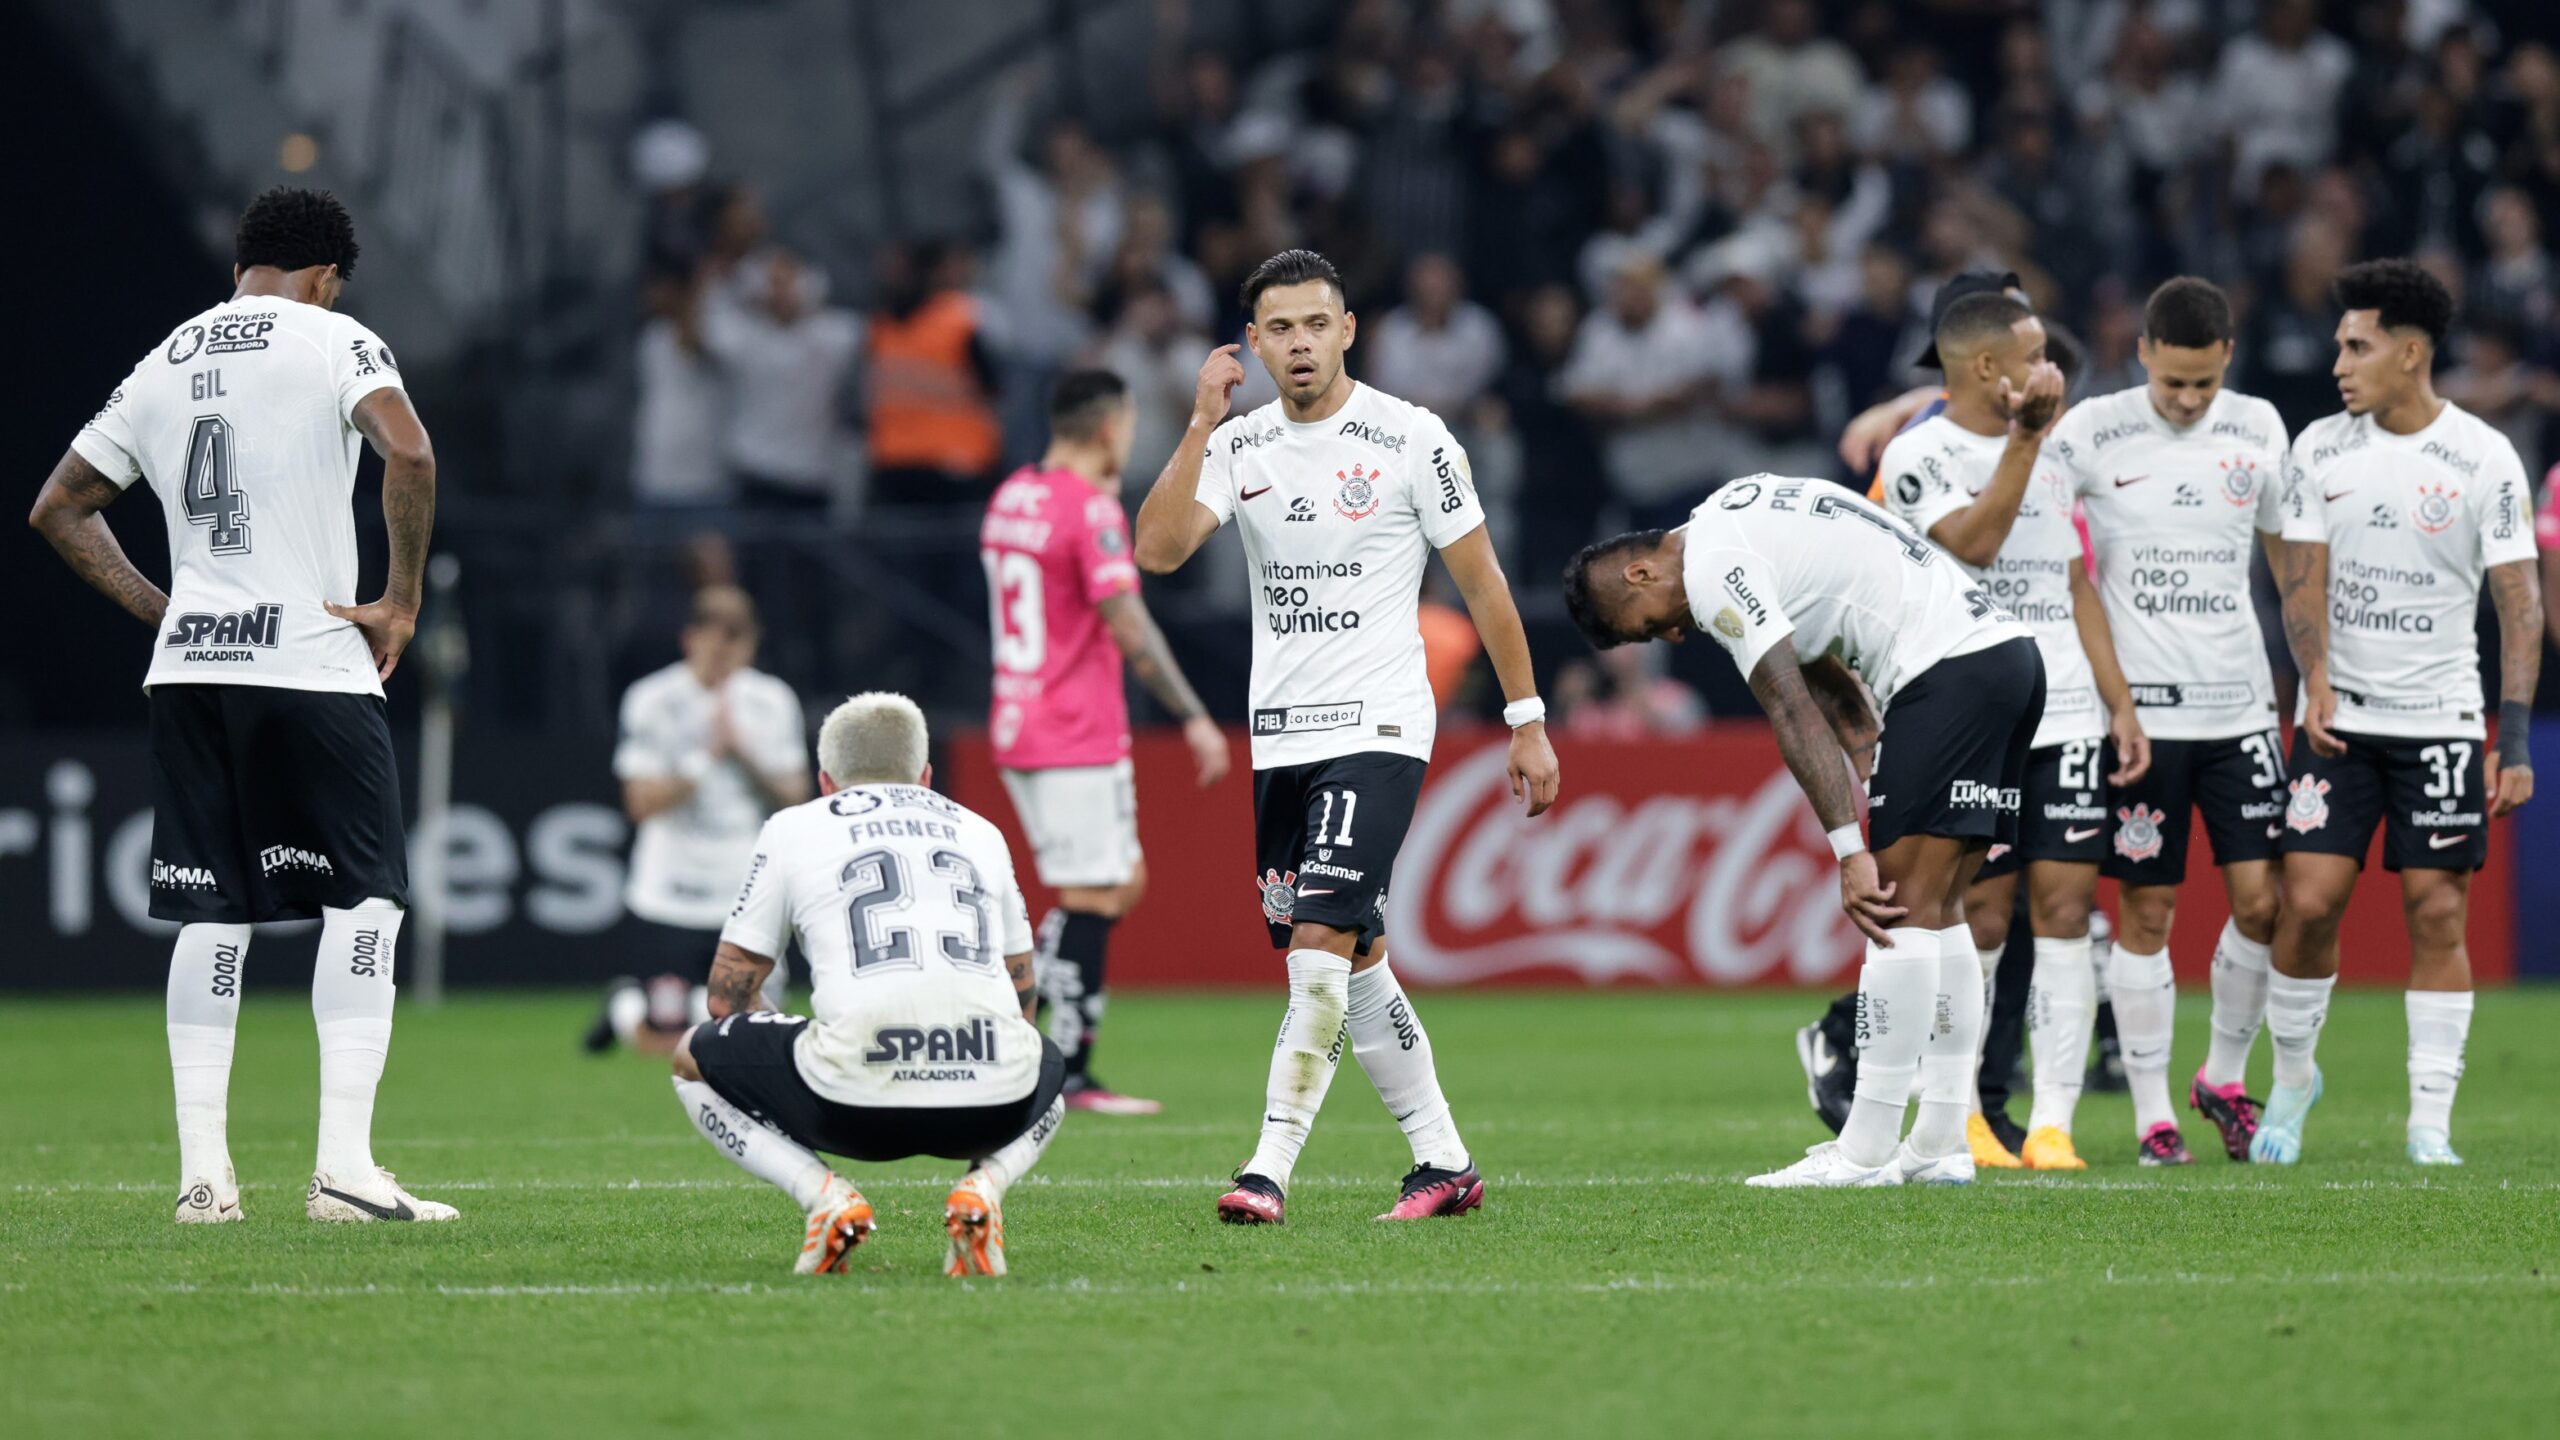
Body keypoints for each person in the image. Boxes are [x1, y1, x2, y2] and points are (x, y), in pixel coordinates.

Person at [27, 187, 450, 1223]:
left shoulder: (165, 359)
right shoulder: (334, 337)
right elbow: (409, 449)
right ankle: (345, 1172)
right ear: (324, 277)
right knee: (366, 902)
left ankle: (204, 1182)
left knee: (211, 915)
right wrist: (398, 601)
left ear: (239, 271)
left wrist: (163, 609)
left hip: (192, 673)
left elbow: (59, 508)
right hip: (309, 662)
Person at [1132, 249, 1560, 1224]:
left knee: (1318, 940)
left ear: (1348, 330)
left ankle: (1266, 1168)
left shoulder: (1410, 439)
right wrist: (1199, 421)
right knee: (1348, 956)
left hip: (1379, 723)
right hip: (1279, 736)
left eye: (1314, 324)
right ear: (1253, 342)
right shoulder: (1237, 447)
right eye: (1278, 328)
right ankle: (1444, 1164)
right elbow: (1156, 552)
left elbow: (1483, 584)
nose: (1297, 344)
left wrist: (1526, 720)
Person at [1563, 464, 2054, 1189]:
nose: (1672, 633)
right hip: (2008, 660)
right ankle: (1942, 1142)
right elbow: (1830, 678)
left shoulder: (1713, 569)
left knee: (1894, 908)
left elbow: (1790, 707)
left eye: (1650, 625)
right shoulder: (1740, 508)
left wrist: (1851, 850)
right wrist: (1877, 780)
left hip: (1945, 672)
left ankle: (1864, 1151)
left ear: (1640, 572)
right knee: (1943, 911)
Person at [2258, 259, 2542, 1166]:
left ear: (2410, 352)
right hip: (2338, 720)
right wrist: (2317, 677)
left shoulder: (2484, 457)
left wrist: (2517, 738)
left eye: (2357, 344)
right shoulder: (2318, 448)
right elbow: (2299, 578)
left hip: (2444, 721)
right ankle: (2295, 1076)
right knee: (2305, 905)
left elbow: (2520, 605)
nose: (2339, 361)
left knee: (2436, 913)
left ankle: (2429, 1121)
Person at [1877, 292, 2147, 1173]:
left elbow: (2075, 584)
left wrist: (2120, 701)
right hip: (1973, 713)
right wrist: (2027, 441)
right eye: (2035, 354)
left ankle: (2052, 1124)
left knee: (2067, 907)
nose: (2052, 370)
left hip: (2065, 703)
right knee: (1979, 913)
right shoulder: (1919, 454)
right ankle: (1962, 1118)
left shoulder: (2055, 446)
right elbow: (1976, 545)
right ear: (1988, 369)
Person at [2040, 276, 2299, 1165]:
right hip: (2140, 717)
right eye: (2172, 381)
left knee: (2268, 902)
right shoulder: (2090, 432)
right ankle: (2154, 1115)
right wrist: (2109, 703)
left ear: (2228, 358)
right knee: (2146, 910)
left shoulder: (2261, 427)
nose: (2188, 400)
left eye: (2204, 382)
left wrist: (2318, 673)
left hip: (2241, 709)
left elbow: (2289, 556)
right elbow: (2052, 557)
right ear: (2142, 353)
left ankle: (2221, 1076)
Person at [671, 693, 1065, 1275]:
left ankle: (824, 1197)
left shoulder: (792, 828)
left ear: (826, 781)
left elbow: (726, 998)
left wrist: (781, 1056)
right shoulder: (982, 832)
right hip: (988, 1107)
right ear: (926, 777)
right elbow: (1021, 992)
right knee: (1044, 1058)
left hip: (847, 1106)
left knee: (689, 1057)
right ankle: (984, 1189)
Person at [982, 369, 1231, 1115]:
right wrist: (1191, 713)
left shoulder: (1012, 497)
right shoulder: (1089, 510)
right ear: (1106, 430)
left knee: (1120, 883)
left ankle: (1023, 1000)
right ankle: (1064, 1067)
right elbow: (1126, 621)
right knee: (1094, 892)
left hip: (1021, 716)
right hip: (1071, 729)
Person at [587, 585, 809, 1054]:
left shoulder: (772, 700)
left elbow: (796, 795)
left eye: (737, 638)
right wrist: (704, 757)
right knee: (668, 1039)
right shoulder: (653, 698)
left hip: (741, 885)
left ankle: (638, 1001)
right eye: (716, 637)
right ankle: (628, 1009)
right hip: (669, 890)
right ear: (691, 638)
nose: (725, 651)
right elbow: (640, 803)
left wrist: (742, 750)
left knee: (756, 1033)